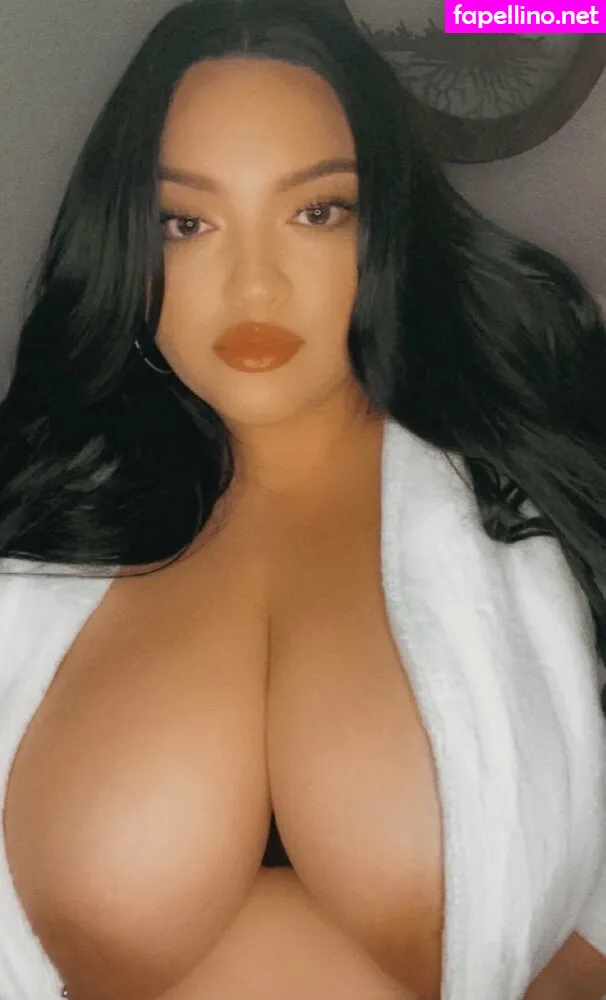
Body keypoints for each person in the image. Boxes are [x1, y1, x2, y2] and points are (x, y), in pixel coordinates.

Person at [0, 1, 605, 997]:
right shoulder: (41, 529)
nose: (255, 286)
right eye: (188, 223)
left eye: (316, 211)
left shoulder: (534, 484)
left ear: (385, 225)